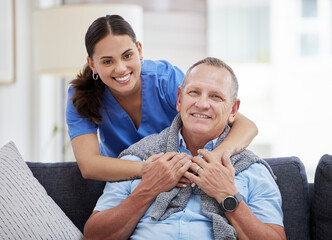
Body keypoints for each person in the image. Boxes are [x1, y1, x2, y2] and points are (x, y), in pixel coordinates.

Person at [84, 57, 286, 240]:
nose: (202, 104)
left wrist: (228, 195)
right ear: (180, 99)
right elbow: (93, 235)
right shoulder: (139, 158)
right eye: (194, 92)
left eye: (215, 97)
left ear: (233, 110)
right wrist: (148, 189)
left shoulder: (252, 169)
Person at [66, 15, 258, 182]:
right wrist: (153, 171)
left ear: (139, 50)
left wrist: (214, 158)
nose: (121, 68)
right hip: (124, 181)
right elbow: (89, 165)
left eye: (127, 56)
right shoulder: (80, 95)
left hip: (184, 174)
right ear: (92, 64)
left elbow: (246, 126)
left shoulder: (164, 79)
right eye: (107, 61)